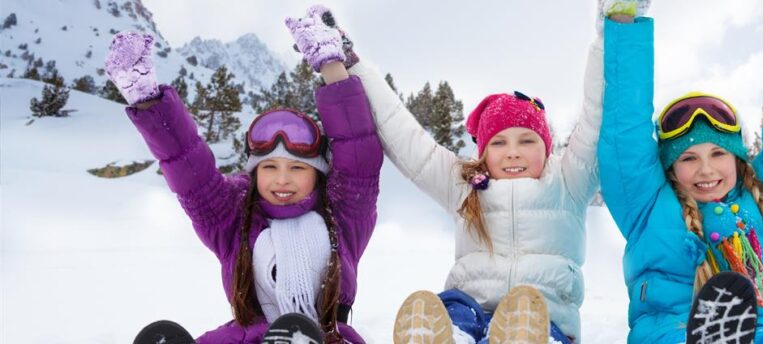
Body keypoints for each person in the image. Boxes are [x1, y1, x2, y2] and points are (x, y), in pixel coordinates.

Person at [320, 2, 617, 342]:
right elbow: (402, 135)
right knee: (455, 312)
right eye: (499, 143)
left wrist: (609, 35)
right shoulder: (465, 186)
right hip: (470, 310)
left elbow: (597, 115)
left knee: (528, 317)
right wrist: (351, 62)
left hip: (543, 319)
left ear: (547, 148)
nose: (513, 152)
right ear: (483, 152)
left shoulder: (567, 182)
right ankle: (449, 338)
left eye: (526, 140)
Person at [107, 5, 383, 342]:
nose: (282, 179)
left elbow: (359, 153)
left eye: (297, 168)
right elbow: (188, 167)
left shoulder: (342, 214)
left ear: (318, 174)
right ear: (254, 173)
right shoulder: (235, 218)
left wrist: (330, 62)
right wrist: (147, 99)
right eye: (269, 167)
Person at [597, 0, 763, 342]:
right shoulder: (646, 205)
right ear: (669, 166)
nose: (705, 169)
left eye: (718, 153)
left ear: (738, 159)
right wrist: (624, 19)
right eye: (688, 158)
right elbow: (625, 131)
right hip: (673, 331)